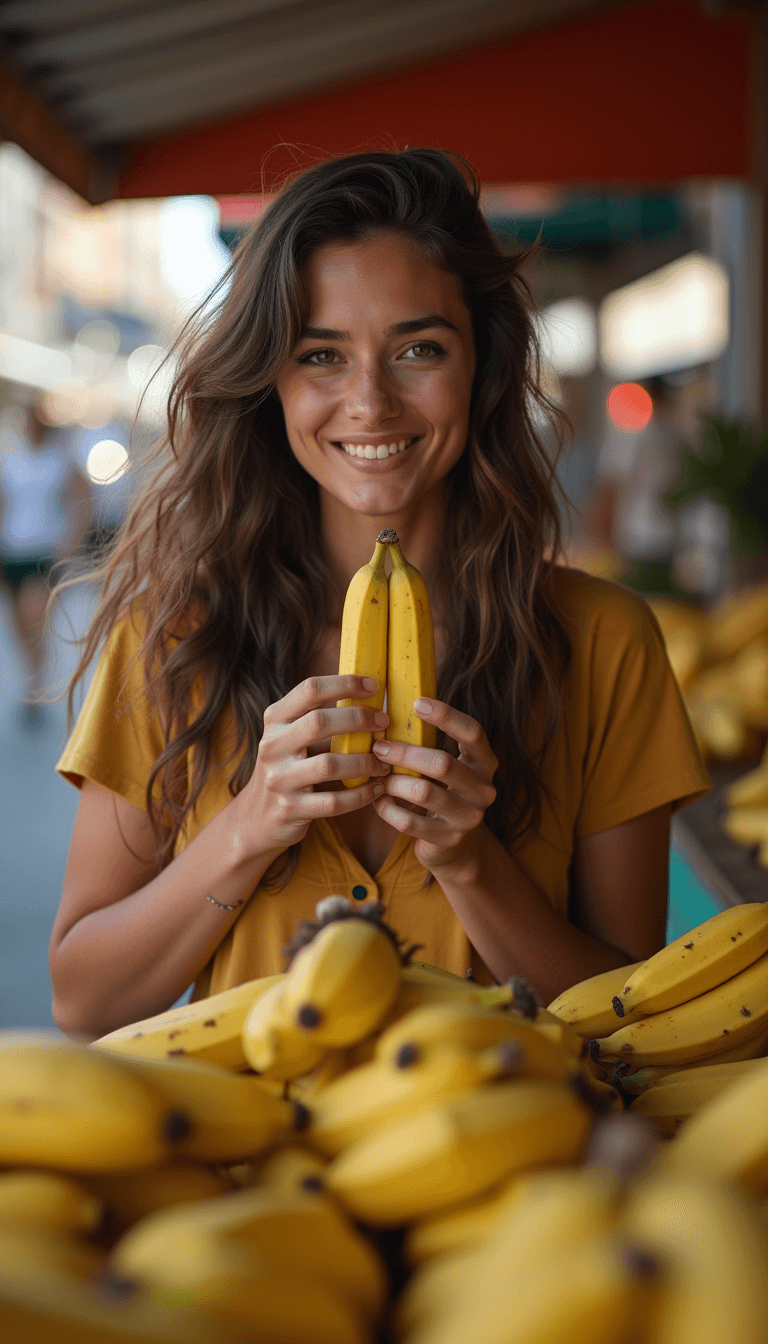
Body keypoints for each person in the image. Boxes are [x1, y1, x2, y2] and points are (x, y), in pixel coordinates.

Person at [48, 150, 711, 1040]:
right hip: (258, 1170)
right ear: (270, 384)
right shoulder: (172, 639)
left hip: (511, 1160)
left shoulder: (606, 644)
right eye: (321, 355)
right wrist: (249, 825)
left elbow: (636, 1022)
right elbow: (82, 1000)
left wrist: (472, 862)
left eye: (418, 349)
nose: (369, 400)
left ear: (481, 370)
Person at [0, 397, 92, 727]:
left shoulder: (60, 458)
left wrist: (70, 544)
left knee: (33, 616)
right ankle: (31, 674)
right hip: (11, 549)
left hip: (44, 551)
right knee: (18, 626)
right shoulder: (11, 455)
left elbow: (84, 500)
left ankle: (34, 689)